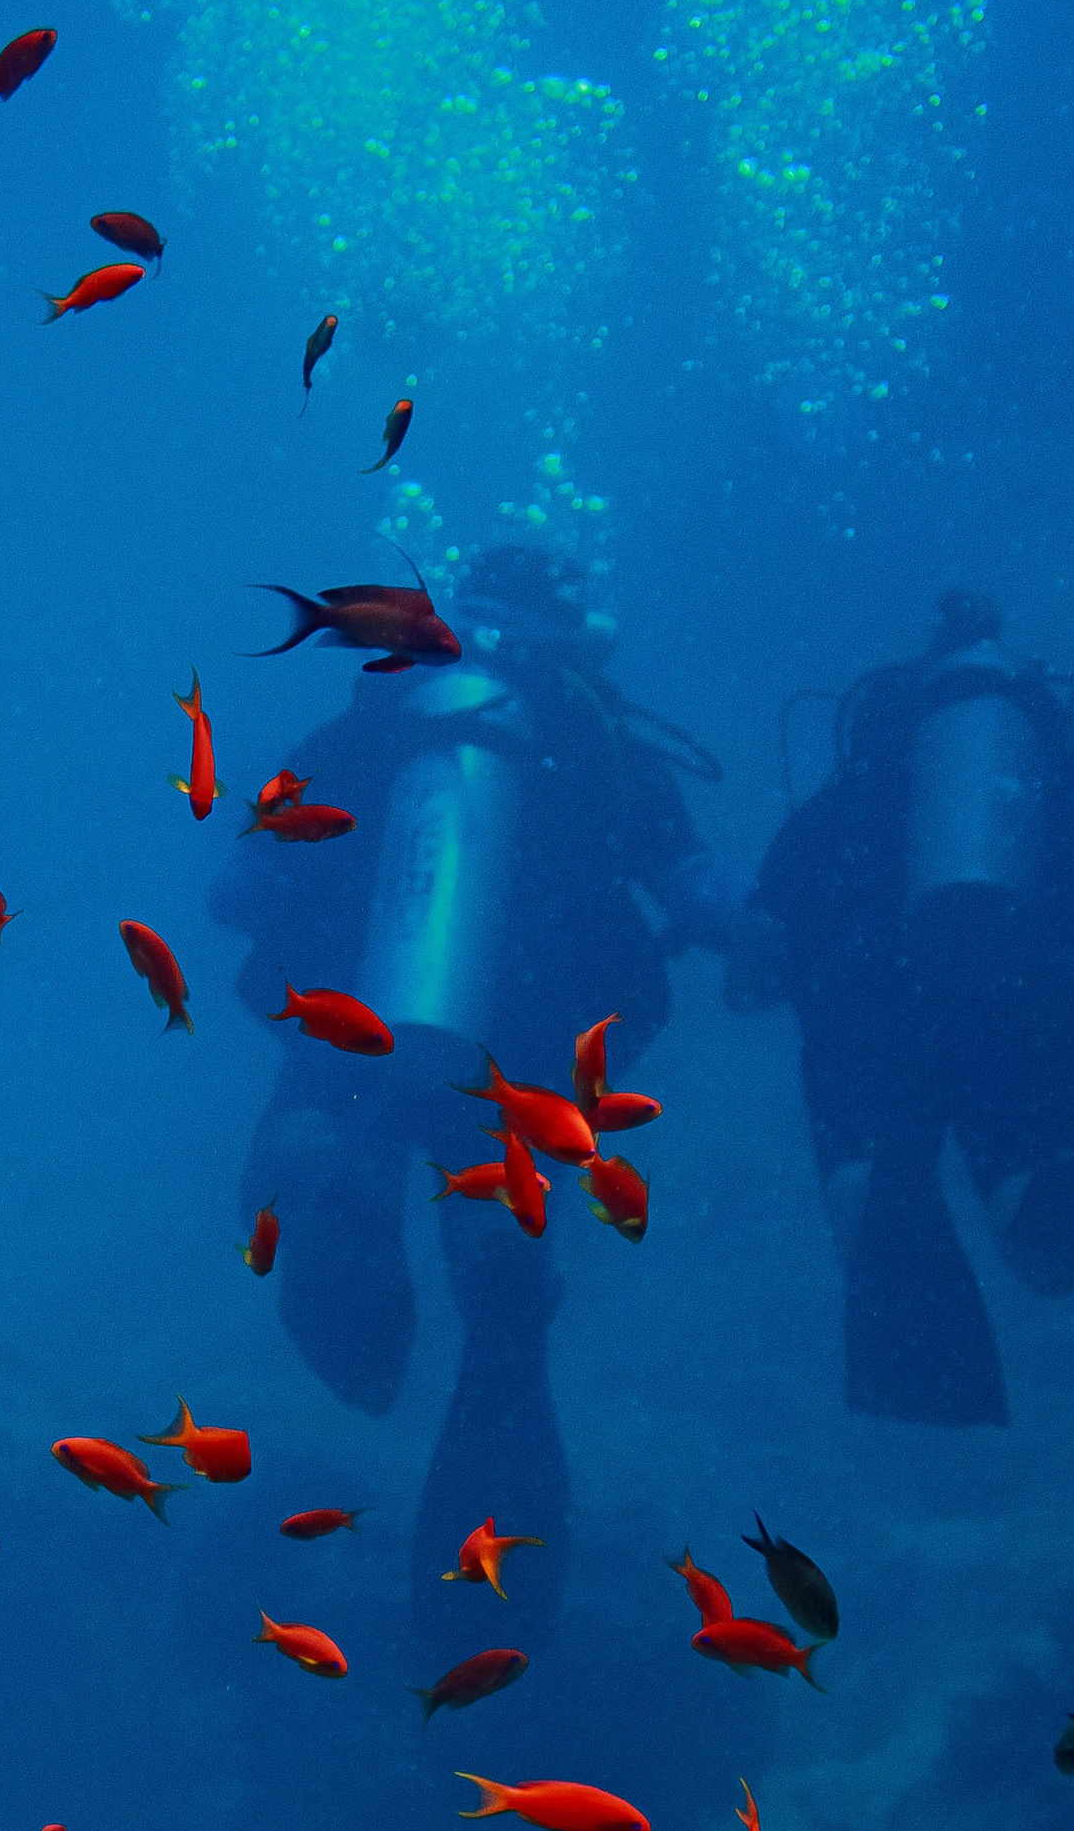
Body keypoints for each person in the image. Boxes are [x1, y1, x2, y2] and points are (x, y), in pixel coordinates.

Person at [212, 544, 733, 1603]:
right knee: (499, 1278)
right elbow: (698, 894)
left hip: (350, 1018)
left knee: (323, 1129)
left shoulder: (373, 724)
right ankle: (486, 1502)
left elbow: (238, 887)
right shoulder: (597, 733)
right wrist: (768, 931)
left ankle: (330, 1173)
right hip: (519, 1044)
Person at [734, 591, 1074, 1427]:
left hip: (871, 1043)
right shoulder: (1038, 804)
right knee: (1053, 1263)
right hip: (1007, 1027)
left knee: (872, 1199)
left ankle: (882, 1212)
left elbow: (753, 975)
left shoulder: (842, 801)